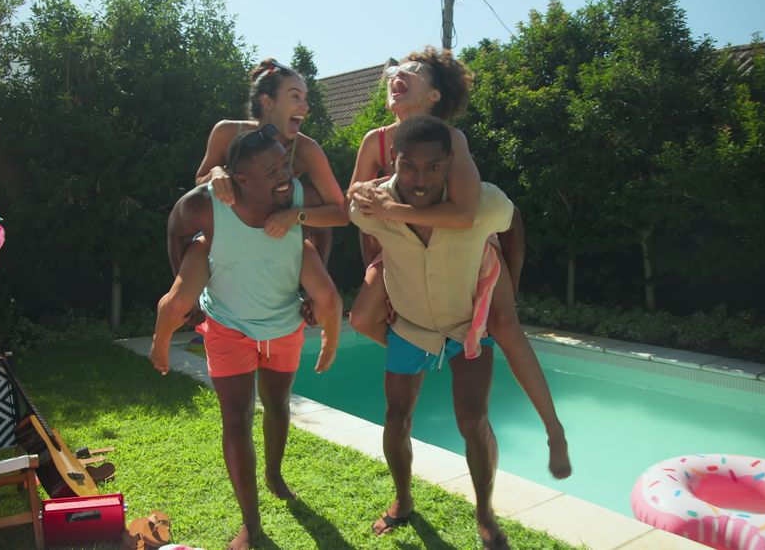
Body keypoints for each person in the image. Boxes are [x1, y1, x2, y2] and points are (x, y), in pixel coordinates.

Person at [347, 47, 571, 482]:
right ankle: (433, 347)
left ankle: (553, 428)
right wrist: (372, 251)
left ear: (434, 96)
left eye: (413, 71)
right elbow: (353, 204)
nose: (398, 74)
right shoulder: (374, 140)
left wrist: (389, 209)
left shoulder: (451, 139)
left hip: (464, 246)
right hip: (402, 248)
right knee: (361, 318)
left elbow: (465, 213)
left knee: (505, 326)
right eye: (396, 70)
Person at [350, 115, 558, 549]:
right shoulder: (371, 205)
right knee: (396, 418)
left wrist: (511, 284)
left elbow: (514, 223)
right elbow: (364, 230)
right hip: (409, 326)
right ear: (394, 161)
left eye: (433, 167)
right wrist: (377, 268)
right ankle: (403, 501)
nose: (420, 179)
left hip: (469, 326)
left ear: (450, 163)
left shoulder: (482, 204)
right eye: (409, 166)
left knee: (473, 419)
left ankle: (485, 513)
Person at [166, 125, 341, 550]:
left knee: (278, 404)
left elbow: (333, 220)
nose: (284, 174)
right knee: (237, 416)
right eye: (271, 170)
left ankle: (275, 475)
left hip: (283, 325)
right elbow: (176, 226)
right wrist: (184, 290)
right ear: (240, 179)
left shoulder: (297, 195)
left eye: (285, 162)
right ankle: (251, 522)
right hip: (228, 326)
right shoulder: (212, 202)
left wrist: (311, 287)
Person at [149, 59, 347, 369]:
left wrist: (297, 217)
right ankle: (159, 343)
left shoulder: (307, 150)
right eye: (296, 96)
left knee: (330, 301)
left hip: (279, 241)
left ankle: (330, 342)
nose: (305, 106)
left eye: (306, 98)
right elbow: (199, 182)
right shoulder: (228, 132)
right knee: (177, 303)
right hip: (225, 238)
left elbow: (340, 213)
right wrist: (216, 172)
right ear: (268, 102)